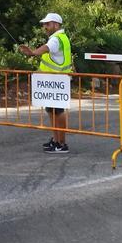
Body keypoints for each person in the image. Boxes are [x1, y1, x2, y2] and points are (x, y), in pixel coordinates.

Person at [19, 12, 73, 154]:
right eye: (44, 24)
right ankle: (56, 140)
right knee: (52, 111)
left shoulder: (56, 39)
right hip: (53, 81)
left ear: (56, 24)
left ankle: (61, 143)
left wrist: (32, 53)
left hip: (56, 81)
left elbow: (47, 48)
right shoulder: (62, 38)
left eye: (47, 24)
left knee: (57, 111)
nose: (45, 26)